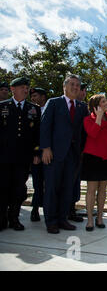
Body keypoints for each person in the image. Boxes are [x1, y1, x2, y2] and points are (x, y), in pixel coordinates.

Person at [40, 74, 89, 234]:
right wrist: (46, 148)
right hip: (54, 154)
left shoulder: (82, 107)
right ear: (65, 86)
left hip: (73, 156)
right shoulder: (53, 103)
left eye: (78, 85)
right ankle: (51, 221)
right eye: (72, 84)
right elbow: (45, 126)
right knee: (52, 188)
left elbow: (86, 131)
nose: (75, 87)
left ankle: (63, 219)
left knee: (67, 189)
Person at [0, 77, 40, 231]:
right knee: (2, 188)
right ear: (12, 89)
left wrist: (37, 152)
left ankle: (14, 218)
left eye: (27, 87)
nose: (25, 90)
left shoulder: (33, 109)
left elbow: (37, 133)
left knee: (18, 189)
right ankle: (2, 218)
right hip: (3, 157)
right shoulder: (3, 106)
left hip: (23, 157)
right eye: (22, 87)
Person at [81, 94, 107, 231]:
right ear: (96, 105)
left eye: (106, 101)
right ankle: (90, 220)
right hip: (92, 158)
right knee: (91, 190)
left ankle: (100, 218)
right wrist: (98, 117)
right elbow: (93, 133)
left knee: (103, 190)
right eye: (103, 101)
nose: (106, 103)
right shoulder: (87, 120)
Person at [68, 82, 88, 222]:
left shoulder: (83, 108)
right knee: (63, 183)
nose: (84, 93)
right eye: (83, 90)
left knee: (75, 184)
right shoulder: (62, 104)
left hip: (78, 152)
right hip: (63, 152)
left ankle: (71, 210)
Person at [29, 87, 48, 222]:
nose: (33, 99)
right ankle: (35, 209)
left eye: (36, 96)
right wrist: (36, 153)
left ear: (43, 97)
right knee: (37, 184)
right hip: (37, 155)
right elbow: (32, 135)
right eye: (32, 96)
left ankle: (49, 210)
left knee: (50, 184)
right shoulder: (31, 111)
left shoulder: (50, 109)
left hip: (50, 154)